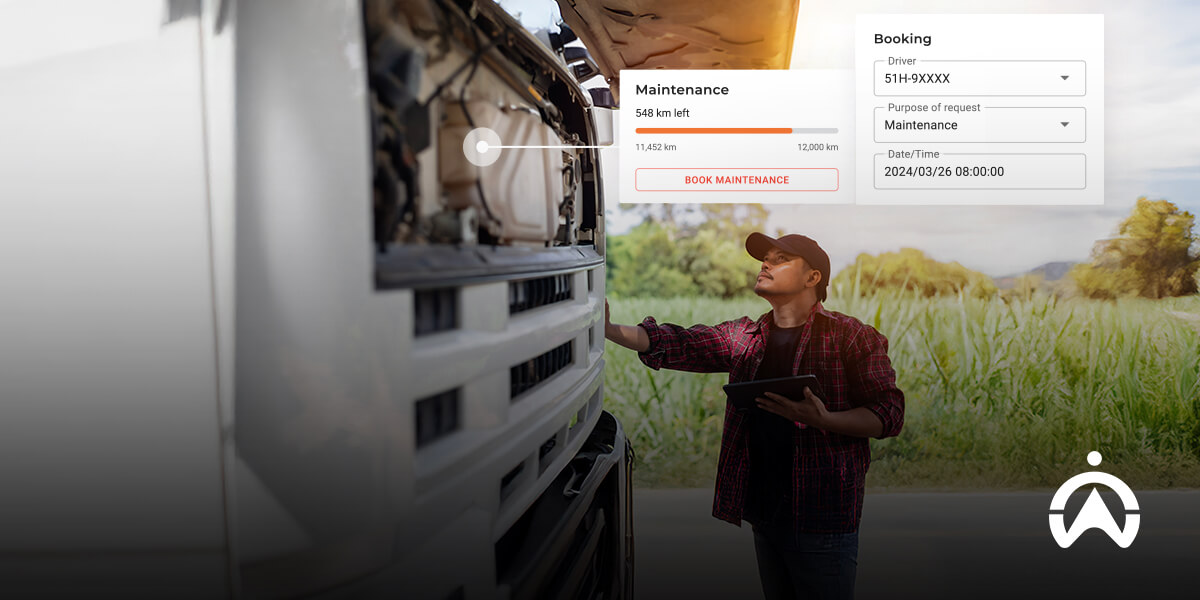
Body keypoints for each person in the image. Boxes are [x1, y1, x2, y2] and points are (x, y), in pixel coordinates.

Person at [605, 232, 904, 600]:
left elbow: (888, 414)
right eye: (766, 258)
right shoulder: (746, 336)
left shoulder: (852, 337)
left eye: (781, 259)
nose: (766, 263)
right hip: (765, 515)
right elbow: (678, 342)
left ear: (813, 278)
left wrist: (825, 419)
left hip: (822, 520)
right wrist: (606, 329)